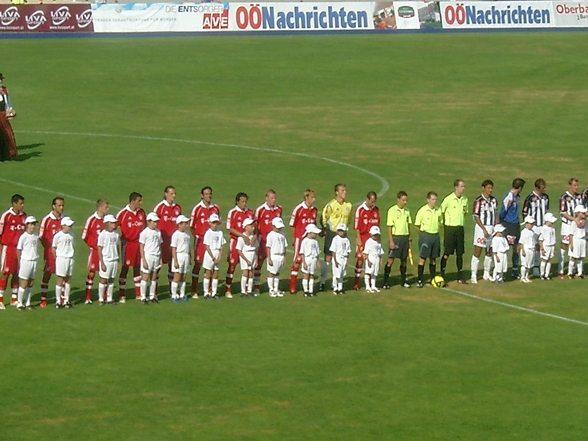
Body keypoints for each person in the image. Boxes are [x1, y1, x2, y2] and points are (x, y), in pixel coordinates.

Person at [319, 184, 352, 291]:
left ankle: (337, 283)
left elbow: (349, 219)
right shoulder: (331, 205)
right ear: (336, 192)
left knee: (342, 258)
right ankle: (322, 282)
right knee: (328, 258)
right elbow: (323, 218)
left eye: (345, 190)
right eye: (342, 190)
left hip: (343, 235)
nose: (345, 192)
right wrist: (325, 229)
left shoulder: (349, 206)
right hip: (332, 233)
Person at [189, 186, 220, 298]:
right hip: (201, 241)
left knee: (211, 266)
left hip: (213, 243)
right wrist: (197, 237)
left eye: (210, 194)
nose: (208, 196)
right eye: (206, 194)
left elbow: (218, 223)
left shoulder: (215, 208)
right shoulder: (197, 209)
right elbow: (191, 226)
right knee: (198, 264)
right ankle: (194, 290)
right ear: (202, 195)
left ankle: (210, 290)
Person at [117, 192, 146, 303]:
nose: (141, 203)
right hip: (128, 245)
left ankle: (138, 294)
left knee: (137, 268)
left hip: (139, 244)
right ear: (133, 201)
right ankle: (122, 294)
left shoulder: (141, 213)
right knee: (125, 268)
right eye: (139, 201)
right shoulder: (123, 213)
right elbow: (114, 226)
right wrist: (122, 238)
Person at [224, 192, 254, 297]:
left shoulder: (250, 212)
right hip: (236, 241)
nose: (244, 204)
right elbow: (229, 228)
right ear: (237, 201)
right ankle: (228, 288)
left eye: (246, 202)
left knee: (248, 267)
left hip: (248, 243)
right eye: (242, 202)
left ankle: (246, 289)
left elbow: (254, 227)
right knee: (232, 265)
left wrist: (253, 238)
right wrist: (242, 236)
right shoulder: (232, 212)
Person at [289, 189, 318, 294]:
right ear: (306, 197)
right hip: (300, 239)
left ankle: (308, 286)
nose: (314, 199)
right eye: (312, 197)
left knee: (311, 260)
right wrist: (294, 238)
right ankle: (292, 285)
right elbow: (292, 225)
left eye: (314, 197)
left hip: (311, 240)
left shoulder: (315, 210)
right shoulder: (299, 209)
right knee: (297, 261)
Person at [0, 194, 26, 308]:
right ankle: (0, 299)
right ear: (14, 203)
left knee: (16, 273)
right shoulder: (6, 216)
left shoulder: (24, 216)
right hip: (8, 248)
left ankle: (14, 298)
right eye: (20, 203)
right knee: (6, 273)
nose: (22, 205)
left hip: (19, 249)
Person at [254, 190, 282, 293]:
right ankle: (256, 287)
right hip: (263, 241)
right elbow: (256, 226)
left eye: (275, 198)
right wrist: (256, 238)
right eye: (271, 198)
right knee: (259, 264)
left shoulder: (279, 209)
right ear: (266, 198)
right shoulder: (260, 210)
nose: (273, 200)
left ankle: (274, 288)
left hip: (275, 243)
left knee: (275, 265)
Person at [81, 199, 109, 304]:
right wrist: (92, 246)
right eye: (106, 207)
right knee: (92, 273)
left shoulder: (107, 220)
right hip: (95, 252)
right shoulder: (91, 220)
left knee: (105, 274)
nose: (108, 209)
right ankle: (88, 296)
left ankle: (104, 296)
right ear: (100, 208)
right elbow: (84, 236)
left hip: (106, 252)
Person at [440, 180, 468, 284]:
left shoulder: (465, 199)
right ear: (456, 187)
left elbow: (465, 212)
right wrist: (443, 223)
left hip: (460, 228)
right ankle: (442, 274)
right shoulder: (449, 199)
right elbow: (441, 211)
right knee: (447, 253)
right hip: (450, 229)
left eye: (464, 186)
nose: (463, 188)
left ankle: (460, 276)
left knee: (460, 253)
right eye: (461, 186)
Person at [382, 191, 412, 289]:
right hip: (396, 237)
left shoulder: (407, 211)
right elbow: (389, 227)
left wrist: (409, 238)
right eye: (403, 200)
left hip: (404, 237)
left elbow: (408, 225)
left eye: (406, 200)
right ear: (398, 199)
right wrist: (391, 241)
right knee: (391, 260)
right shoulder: (392, 210)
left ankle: (403, 281)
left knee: (404, 260)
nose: (405, 202)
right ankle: (385, 282)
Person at [38, 197, 64, 308]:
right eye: (59, 205)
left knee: (63, 274)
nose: (61, 207)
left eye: (62, 205)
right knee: (47, 273)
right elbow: (41, 236)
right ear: (53, 206)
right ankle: (43, 299)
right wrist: (48, 247)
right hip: (49, 252)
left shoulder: (64, 219)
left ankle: (62, 298)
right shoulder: (47, 219)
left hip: (62, 252)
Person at [413, 191, 443, 288]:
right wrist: (422, 235)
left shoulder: (438, 210)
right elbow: (417, 225)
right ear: (428, 200)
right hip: (425, 236)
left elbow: (441, 222)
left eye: (435, 200)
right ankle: (420, 280)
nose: (434, 202)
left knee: (433, 259)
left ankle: (432, 278)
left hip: (435, 236)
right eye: (433, 199)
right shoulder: (422, 211)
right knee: (423, 258)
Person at [470, 180, 497, 284]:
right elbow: (475, 216)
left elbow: (496, 213)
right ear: (483, 188)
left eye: (491, 188)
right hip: (481, 229)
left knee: (489, 251)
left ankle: (486, 273)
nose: (490, 190)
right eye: (488, 188)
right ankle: (474, 274)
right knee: (478, 251)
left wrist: (496, 227)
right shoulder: (479, 201)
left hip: (491, 228)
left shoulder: (494, 200)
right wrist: (484, 229)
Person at [153, 186, 182, 284]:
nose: (173, 196)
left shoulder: (177, 207)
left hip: (174, 242)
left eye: (174, 194)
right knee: (158, 266)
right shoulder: (160, 207)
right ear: (166, 194)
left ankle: (171, 290)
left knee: (172, 265)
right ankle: (154, 291)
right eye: (171, 193)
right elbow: (152, 222)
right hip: (162, 241)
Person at [522, 179, 549, 277]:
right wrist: (529, 226)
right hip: (534, 227)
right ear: (537, 188)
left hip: (543, 226)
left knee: (541, 247)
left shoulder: (546, 197)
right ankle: (528, 268)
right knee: (532, 247)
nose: (544, 189)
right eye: (543, 188)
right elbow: (525, 213)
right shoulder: (530, 198)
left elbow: (547, 211)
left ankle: (537, 267)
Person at [353, 191, 380, 290]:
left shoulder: (376, 210)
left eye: (374, 202)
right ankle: (357, 282)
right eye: (371, 201)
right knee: (360, 259)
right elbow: (356, 227)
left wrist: (379, 241)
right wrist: (358, 240)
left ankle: (370, 283)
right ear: (367, 199)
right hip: (363, 238)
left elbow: (378, 225)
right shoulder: (360, 210)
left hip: (373, 239)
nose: (373, 204)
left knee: (373, 260)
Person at [499, 178, 525, 279]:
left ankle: (514, 270)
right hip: (508, 224)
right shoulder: (509, 197)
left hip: (515, 224)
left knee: (516, 247)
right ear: (520, 188)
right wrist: (501, 223)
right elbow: (503, 210)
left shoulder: (517, 196)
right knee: (506, 247)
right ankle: (502, 270)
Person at [558, 178, 582, 279]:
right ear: (569, 186)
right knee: (564, 246)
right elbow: (563, 212)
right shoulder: (564, 197)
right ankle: (561, 269)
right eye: (574, 185)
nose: (576, 187)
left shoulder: (579, 197)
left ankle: (573, 270)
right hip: (567, 225)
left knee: (575, 246)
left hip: (576, 226)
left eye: (577, 185)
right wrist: (574, 219)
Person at [139, 212, 163, 304]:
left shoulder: (158, 232)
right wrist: (144, 259)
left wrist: (160, 258)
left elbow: (159, 245)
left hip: (156, 256)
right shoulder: (144, 233)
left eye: (156, 221)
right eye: (154, 221)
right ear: (148, 222)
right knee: (145, 276)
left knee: (154, 276)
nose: (156, 223)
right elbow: (141, 247)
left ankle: (153, 296)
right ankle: (143, 297)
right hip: (148, 256)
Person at [16, 216, 39, 310]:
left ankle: (28, 302)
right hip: (26, 261)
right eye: (31, 224)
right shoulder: (23, 237)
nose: (33, 226)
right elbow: (18, 249)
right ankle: (19, 303)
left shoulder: (35, 236)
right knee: (24, 282)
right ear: (27, 225)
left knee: (31, 282)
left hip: (34, 260)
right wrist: (19, 262)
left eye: (34, 224)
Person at [52, 217, 75, 308]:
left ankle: (66, 300)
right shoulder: (58, 236)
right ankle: (58, 301)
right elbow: (53, 248)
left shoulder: (71, 235)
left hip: (70, 258)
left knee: (68, 279)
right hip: (61, 258)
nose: (70, 227)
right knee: (60, 279)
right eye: (68, 225)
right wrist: (57, 258)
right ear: (63, 225)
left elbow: (73, 246)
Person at [97, 214, 120, 305]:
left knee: (111, 279)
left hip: (114, 259)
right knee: (103, 279)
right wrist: (101, 262)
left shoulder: (116, 234)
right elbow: (99, 248)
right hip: (106, 260)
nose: (114, 224)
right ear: (107, 223)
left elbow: (117, 247)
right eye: (112, 222)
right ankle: (101, 298)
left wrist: (118, 260)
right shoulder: (102, 235)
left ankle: (109, 298)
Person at [202, 213, 226, 299]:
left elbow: (222, 245)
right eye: (213, 222)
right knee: (208, 273)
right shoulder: (208, 233)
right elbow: (207, 246)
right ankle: (206, 292)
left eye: (216, 222)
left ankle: (214, 292)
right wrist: (213, 257)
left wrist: (219, 257)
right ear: (210, 223)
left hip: (217, 252)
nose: (214, 224)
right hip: (210, 254)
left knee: (216, 274)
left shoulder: (220, 233)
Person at [170, 215, 191, 302]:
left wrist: (190, 257)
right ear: (179, 224)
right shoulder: (175, 235)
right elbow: (173, 248)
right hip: (179, 256)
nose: (186, 225)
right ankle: (174, 295)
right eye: (185, 223)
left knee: (184, 276)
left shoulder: (187, 235)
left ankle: (182, 294)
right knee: (177, 277)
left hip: (186, 256)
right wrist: (175, 260)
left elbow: (188, 247)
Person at [266, 217, 288, 298]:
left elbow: (284, 246)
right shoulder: (270, 235)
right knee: (271, 273)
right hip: (274, 255)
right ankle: (271, 289)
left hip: (281, 255)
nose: (279, 229)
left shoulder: (282, 234)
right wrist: (269, 258)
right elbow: (268, 247)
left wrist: (285, 257)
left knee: (277, 273)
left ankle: (276, 288)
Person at [236, 218, 258, 297]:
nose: (253, 227)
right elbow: (239, 250)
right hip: (245, 255)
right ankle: (243, 291)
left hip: (252, 255)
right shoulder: (242, 238)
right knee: (245, 272)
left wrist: (256, 259)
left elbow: (256, 249)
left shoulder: (253, 237)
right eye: (251, 226)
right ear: (246, 227)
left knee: (251, 273)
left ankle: (249, 290)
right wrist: (246, 259)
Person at [299, 223, 321, 297]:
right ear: (310, 232)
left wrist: (317, 261)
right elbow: (302, 252)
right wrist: (304, 262)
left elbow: (317, 252)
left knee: (312, 275)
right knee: (306, 275)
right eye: (314, 233)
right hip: (307, 259)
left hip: (313, 259)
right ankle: (306, 291)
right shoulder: (305, 241)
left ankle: (311, 290)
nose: (316, 235)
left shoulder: (315, 242)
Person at [0, 73, 18, 161]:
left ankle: (6, 154)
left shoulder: (4, 90)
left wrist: (10, 111)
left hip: (3, 116)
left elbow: (8, 104)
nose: (0, 81)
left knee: (7, 134)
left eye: (1, 79)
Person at [330, 223, 352, 295]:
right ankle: (335, 287)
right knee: (336, 274)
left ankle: (340, 288)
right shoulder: (335, 239)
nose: (341, 232)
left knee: (342, 274)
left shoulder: (346, 240)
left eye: (342, 231)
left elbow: (348, 250)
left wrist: (347, 260)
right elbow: (333, 251)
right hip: (337, 257)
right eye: (339, 231)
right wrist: (335, 261)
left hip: (344, 258)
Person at [363, 226, 384, 293]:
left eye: (376, 235)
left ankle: (373, 286)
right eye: (374, 235)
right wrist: (368, 261)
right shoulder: (368, 242)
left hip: (376, 259)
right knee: (368, 272)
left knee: (374, 273)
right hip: (371, 258)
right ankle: (367, 286)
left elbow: (380, 252)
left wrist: (380, 260)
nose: (375, 236)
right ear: (371, 234)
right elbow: (366, 252)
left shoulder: (378, 242)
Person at [567, 205, 586, 279]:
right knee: (573, 257)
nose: (584, 214)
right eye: (582, 213)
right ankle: (570, 272)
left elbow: (586, 231)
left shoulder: (585, 221)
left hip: (582, 240)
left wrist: (586, 241)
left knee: (581, 257)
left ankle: (580, 272)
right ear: (578, 213)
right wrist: (571, 244)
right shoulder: (574, 222)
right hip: (576, 240)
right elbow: (571, 234)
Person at [538, 213, 558, 280]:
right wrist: (542, 248)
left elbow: (554, 239)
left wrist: (554, 248)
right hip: (546, 246)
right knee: (544, 260)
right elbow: (540, 240)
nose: (552, 223)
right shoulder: (544, 228)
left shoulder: (553, 229)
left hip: (551, 246)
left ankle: (547, 274)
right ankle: (542, 274)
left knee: (549, 260)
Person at [518, 216, 537, 283]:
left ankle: (526, 276)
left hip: (531, 249)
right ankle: (522, 277)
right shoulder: (524, 232)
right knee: (524, 264)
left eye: (532, 224)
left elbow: (534, 241)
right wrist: (523, 250)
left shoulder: (532, 232)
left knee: (529, 264)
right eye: (530, 224)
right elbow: (521, 242)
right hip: (526, 249)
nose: (531, 225)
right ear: (526, 224)